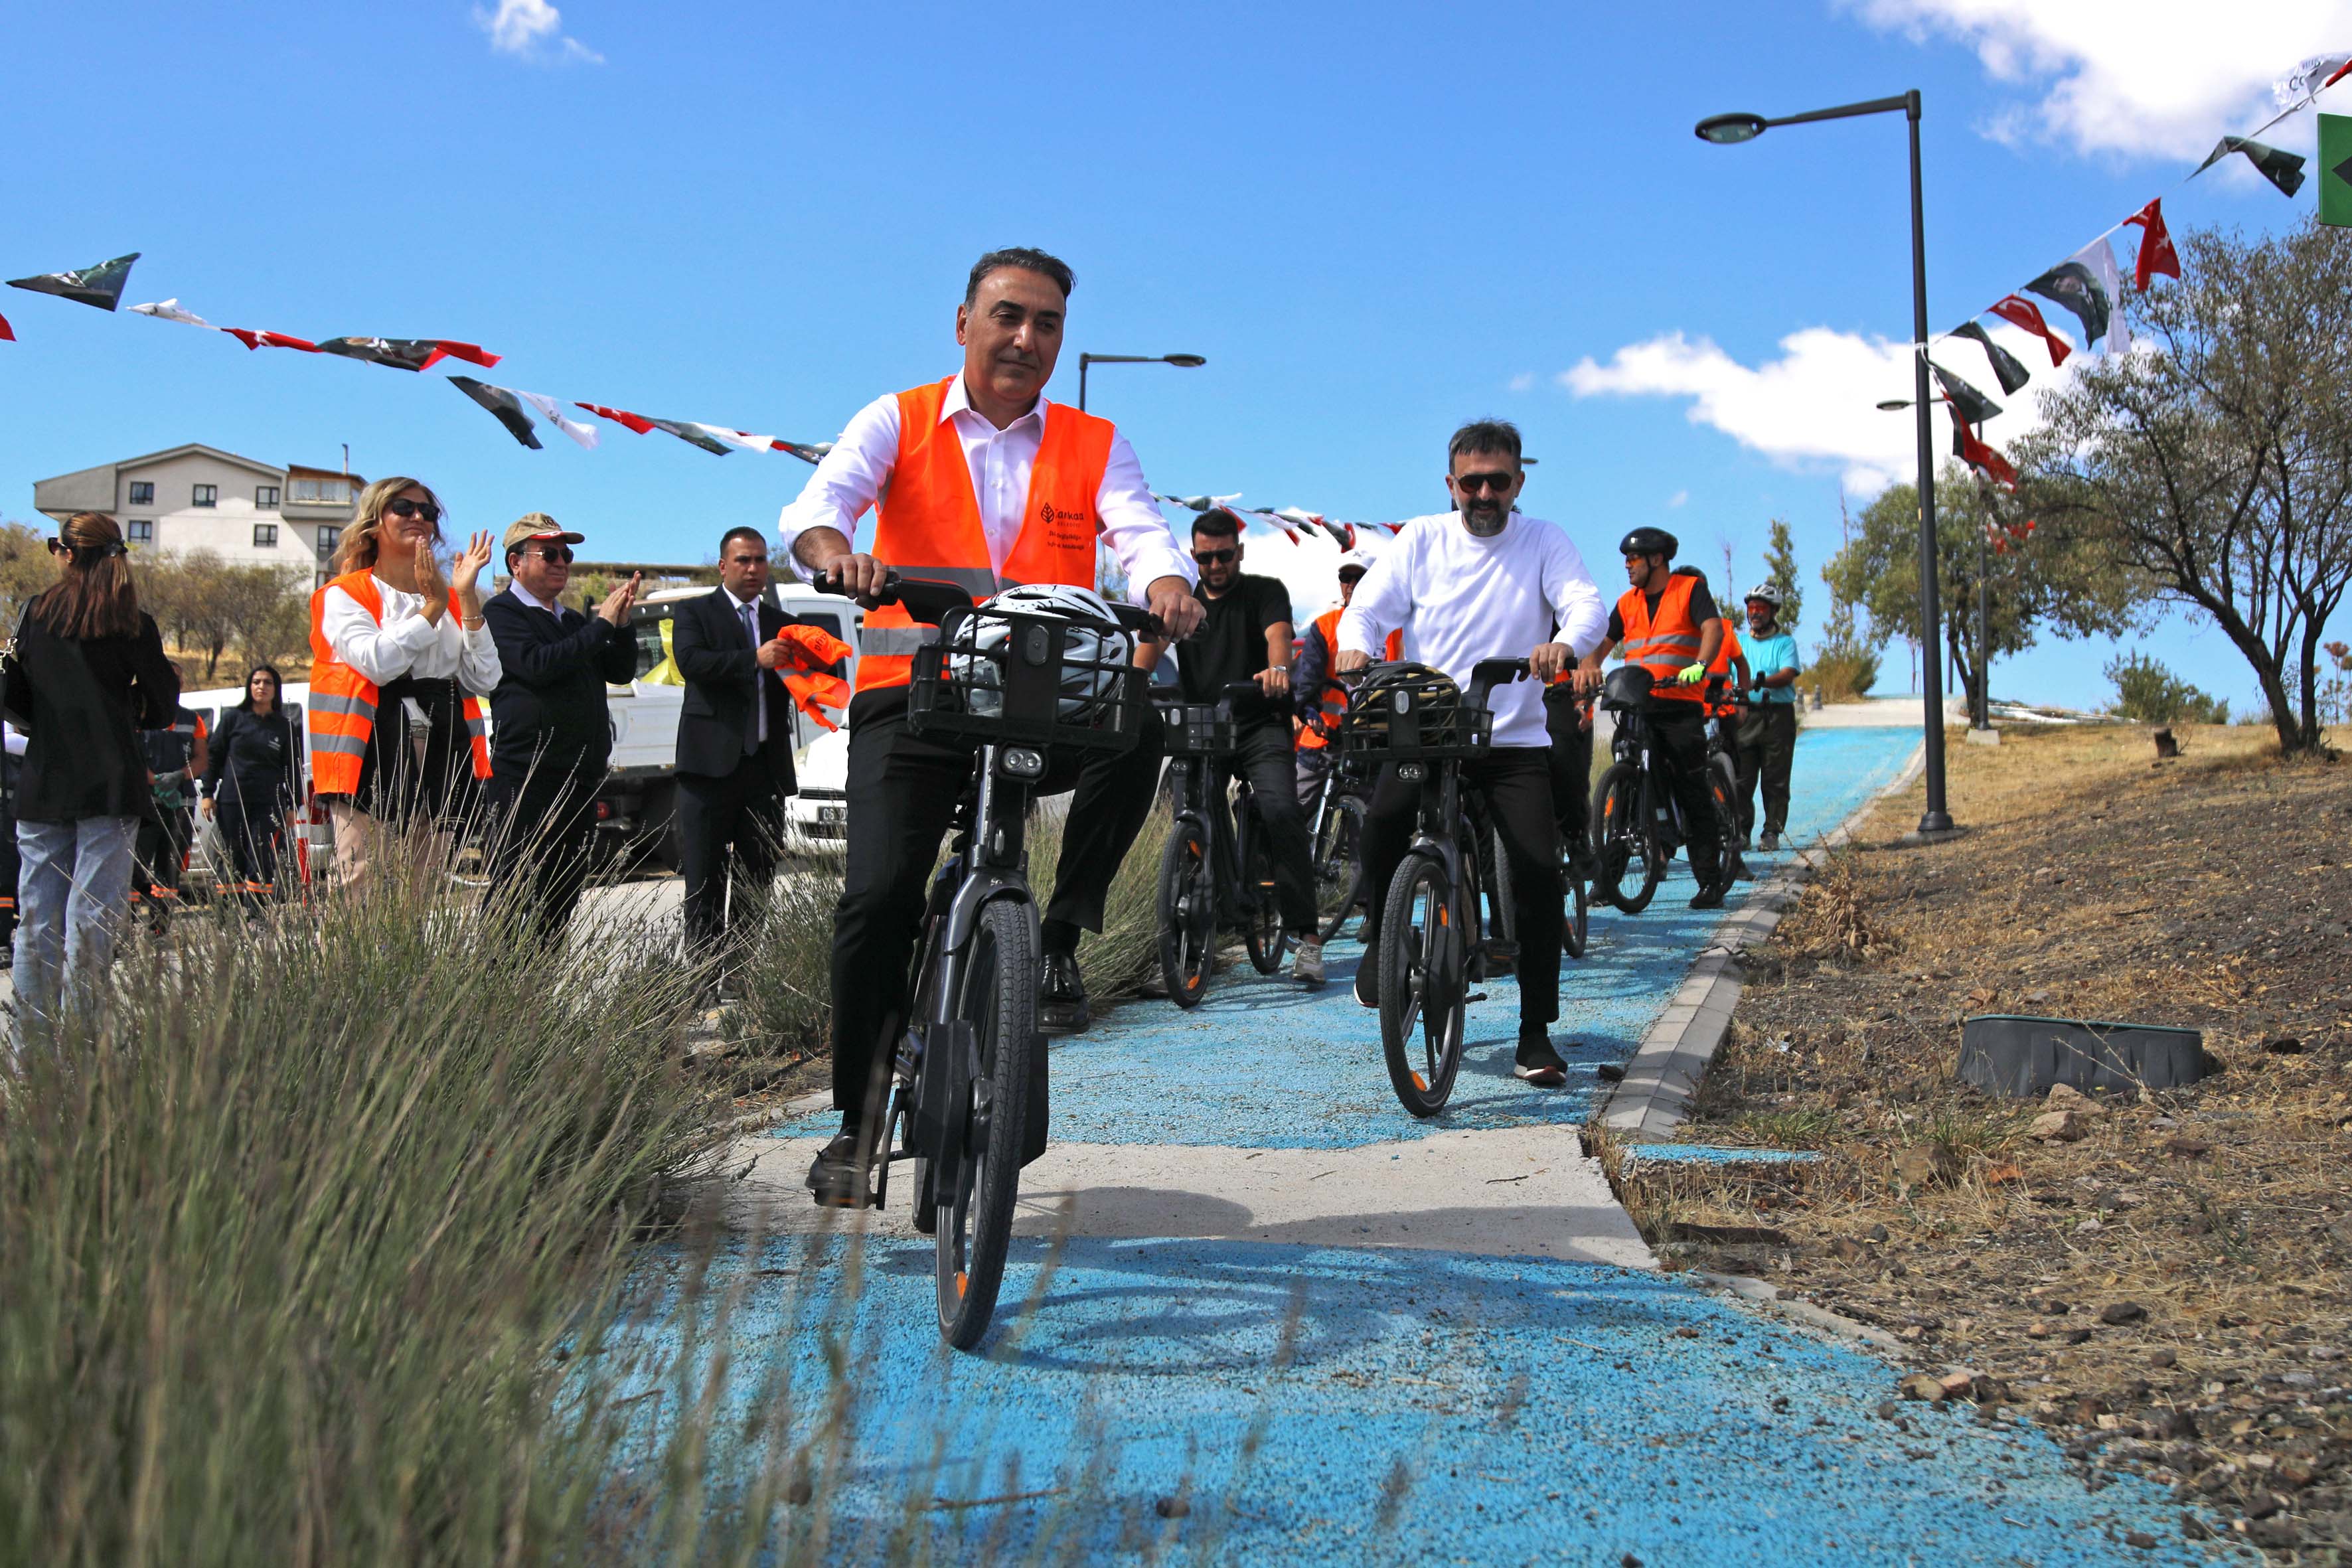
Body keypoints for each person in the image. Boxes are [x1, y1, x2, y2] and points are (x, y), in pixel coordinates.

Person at [778, 245, 1202, 1206]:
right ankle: (855, 1119)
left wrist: (1166, 583)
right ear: (962, 321)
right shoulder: (897, 418)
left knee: (1135, 727)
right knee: (876, 898)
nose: (1025, 338)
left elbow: (1136, 530)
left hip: (1039, 692)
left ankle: (1057, 931)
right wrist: (832, 551)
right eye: (1007, 315)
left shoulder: (1093, 442)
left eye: (1046, 323)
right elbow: (819, 504)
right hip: (914, 691)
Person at [1336, 420, 1607, 1088]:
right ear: (1451, 484)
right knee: (1380, 823)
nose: (1485, 493)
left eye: (1499, 481)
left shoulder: (1544, 540)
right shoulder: (1422, 540)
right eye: (1472, 482)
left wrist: (1565, 644)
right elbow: (1367, 608)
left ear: (1519, 481)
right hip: (1427, 734)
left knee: (1540, 874)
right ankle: (1382, 932)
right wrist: (1356, 643)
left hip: (1513, 740)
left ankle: (1535, 1032)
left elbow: (1586, 605)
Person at [2, 512, 179, 1042]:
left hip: (46, 778)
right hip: (110, 779)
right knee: (93, 920)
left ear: (68, 554)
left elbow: (21, 698)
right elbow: (162, 705)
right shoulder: (132, 621)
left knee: (37, 921)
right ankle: (82, 1048)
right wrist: (125, 708)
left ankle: (31, 1053)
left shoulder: (36, 613)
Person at [1137, 507, 1326, 984]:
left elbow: (1277, 636)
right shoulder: (1184, 600)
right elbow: (1152, 643)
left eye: (1223, 556)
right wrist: (1130, 682)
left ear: (1238, 552)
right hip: (1206, 725)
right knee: (1189, 819)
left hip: (1260, 722)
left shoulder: (1265, 591)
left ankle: (1306, 938)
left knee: (1282, 812)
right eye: (1204, 558)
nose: (1214, 566)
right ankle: (1185, 949)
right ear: (1193, 557)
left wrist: (1277, 670)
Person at [308, 478, 501, 889]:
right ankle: (348, 958)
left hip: (442, 749)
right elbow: (379, 663)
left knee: (424, 882)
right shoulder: (344, 594)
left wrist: (465, 598)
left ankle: (412, 957)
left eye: (428, 512)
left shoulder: (450, 598)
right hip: (370, 752)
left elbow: (485, 678)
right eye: (404, 508)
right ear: (374, 522)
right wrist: (431, 608)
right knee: (357, 881)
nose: (419, 518)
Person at [483, 515, 641, 941]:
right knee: (514, 897)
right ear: (516, 563)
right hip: (528, 776)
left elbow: (621, 671)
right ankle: (496, 999)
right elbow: (538, 666)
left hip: (580, 776)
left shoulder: (571, 621)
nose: (561, 563)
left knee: (561, 897)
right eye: (549, 554)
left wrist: (622, 623)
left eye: (566, 555)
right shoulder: (501, 613)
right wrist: (601, 626)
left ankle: (538, 1002)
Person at [1572, 527, 1729, 909]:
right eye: (1626, 559)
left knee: (1691, 790)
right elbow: (1601, 645)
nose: (1627, 565)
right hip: (1638, 707)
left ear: (1657, 560)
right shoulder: (1628, 603)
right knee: (1624, 790)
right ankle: (1609, 882)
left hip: (1679, 705)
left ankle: (1709, 881)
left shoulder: (1689, 590)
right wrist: (1589, 667)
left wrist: (1701, 664)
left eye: (1634, 559)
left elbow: (1712, 628)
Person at [1292, 550, 1399, 810]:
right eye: (1345, 577)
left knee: (1368, 822)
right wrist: (1307, 709)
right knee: (1294, 813)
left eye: (1358, 578)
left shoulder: (1396, 629)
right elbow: (1308, 678)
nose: (1351, 584)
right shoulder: (1325, 626)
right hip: (1325, 737)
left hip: (1374, 740)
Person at [201, 665, 301, 903]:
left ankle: (258, 918)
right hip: (232, 801)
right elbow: (212, 757)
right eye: (256, 682)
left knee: (262, 858)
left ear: (276, 689)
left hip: (268, 805)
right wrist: (207, 793)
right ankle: (229, 919)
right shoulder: (232, 719)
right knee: (231, 858)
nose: (261, 687)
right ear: (249, 686)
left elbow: (293, 768)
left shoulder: (284, 726)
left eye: (268, 682)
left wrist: (292, 805)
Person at [1736, 584, 1802, 852]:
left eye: (1761, 609)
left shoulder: (1785, 643)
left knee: (1775, 778)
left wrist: (1758, 683)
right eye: (1751, 608)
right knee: (1741, 778)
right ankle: (1740, 831)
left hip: (1777, 717)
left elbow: (1788, 673)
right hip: (1745, 716)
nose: (1755, 613)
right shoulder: (1739, 642)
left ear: (1773, 611)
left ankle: (1772, 830)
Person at [131, 705, 207, 931]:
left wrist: (178, 777)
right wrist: (156, 781)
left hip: (180, 805)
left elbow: (202, 759)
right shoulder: (139, 714)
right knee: (132, 869)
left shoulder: (192, 719)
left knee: (170, 871)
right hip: (145, 804)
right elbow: (130, 754)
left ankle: (159, 930)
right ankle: (121, 934)